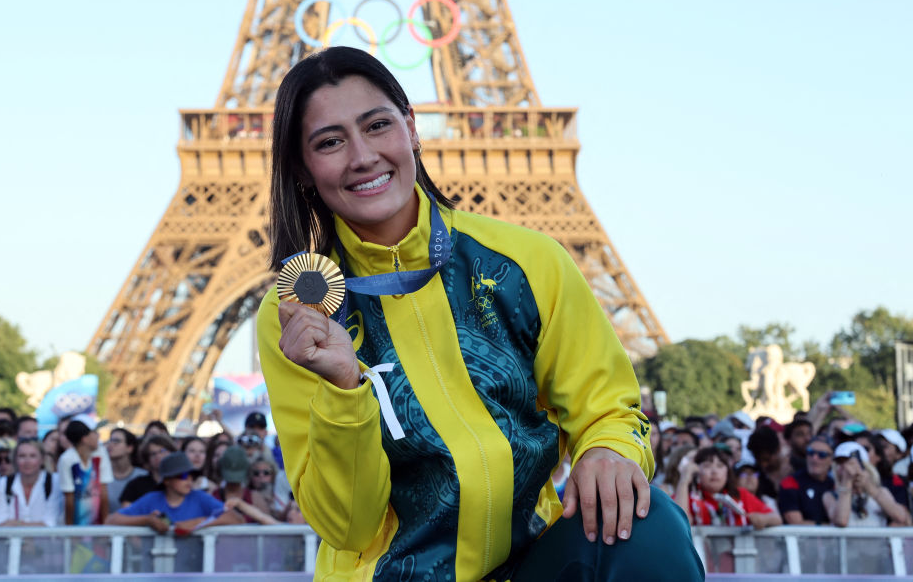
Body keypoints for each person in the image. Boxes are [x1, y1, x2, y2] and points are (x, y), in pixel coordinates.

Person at [256, 47, 702, 580]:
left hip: (530, 568)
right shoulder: (298, 314)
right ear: (304, 170)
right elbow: (348, 527)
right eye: (330, 142)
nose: (362, 156)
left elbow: (607, 407)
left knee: (652, 528)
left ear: (412, 129)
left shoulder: (530, 263)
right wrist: (344, 390)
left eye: (377, 125)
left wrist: (608, 451)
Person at [106, 452, 242, 533]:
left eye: (191, 475)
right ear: (166, 481)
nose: (188, 480)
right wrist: (147, 520)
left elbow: (236, 519)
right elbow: (110, 521)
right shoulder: (152, 499)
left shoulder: (200, 497)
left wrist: (198, 523)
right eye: (182, 476)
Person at [674, 447, 781, 529]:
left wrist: (764, 519)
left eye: (720, 466)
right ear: (696, 471)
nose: (714, 471)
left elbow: (777, 519)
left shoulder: (740, 495)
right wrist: (684, 481)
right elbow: (679, 523)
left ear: (727, 472)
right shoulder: (685, 496)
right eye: (707, 466)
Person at [825, 441, 911, 527]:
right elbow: (841, 521)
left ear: (864, 465)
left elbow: (901, 518)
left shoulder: (881, 491)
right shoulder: (830, 496)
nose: (847, 468)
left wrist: (869, 487)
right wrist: (847, 482)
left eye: (850, 463)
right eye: (840, 463)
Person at [0, 439, 62, 527]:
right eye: (22, 456)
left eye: (33, 456)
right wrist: (34, 525)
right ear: (15, 459)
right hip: (12, 541)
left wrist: (15, 524)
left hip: (47, 541)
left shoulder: (55, 481)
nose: (27, 461)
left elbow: (51, 524)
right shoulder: (4, 482)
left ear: (42, 459)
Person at [56, 419, 113, 525]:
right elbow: (69, 499)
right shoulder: (66, 459)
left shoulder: (101, 453)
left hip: (97, 523)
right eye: (94, 433)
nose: (98, 436)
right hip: (76, 523)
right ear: (85, 439)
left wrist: (105, 526)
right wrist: (69, 532)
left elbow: (104, 492)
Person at [778, 435, 835, 524]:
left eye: (822, 455)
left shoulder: (834, 484)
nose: (814, 458)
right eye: (810, 453)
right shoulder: (790, 482)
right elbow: (796, 523)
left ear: (832, 459)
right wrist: (831, 527)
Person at [119, 435, 175, 507]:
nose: (158, 456)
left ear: (172, 452)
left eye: (162, 451)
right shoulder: (136, 485)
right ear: (147, 458)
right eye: (153, 454)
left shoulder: (182, 480)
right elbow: (125, 513)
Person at [106, 428, 147, 516]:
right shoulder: (99, 476)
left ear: (130, 448)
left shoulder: (143, 476)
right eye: (110, 440)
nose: (110, 444)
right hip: (106, 528)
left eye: (116, 441)